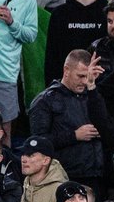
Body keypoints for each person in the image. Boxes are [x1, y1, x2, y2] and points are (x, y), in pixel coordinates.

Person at [28, 50, 108, 193]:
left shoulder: (94, 97)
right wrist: (74, 135)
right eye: (80, 76)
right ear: (66, 70)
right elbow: (37, 143)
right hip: (64, 177)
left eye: (87, 76)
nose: (84, 81)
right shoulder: (44, 101)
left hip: (97, 175)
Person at [44, 0, 107, 87]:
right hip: (66, 88)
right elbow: (51, 58)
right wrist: (53, 88)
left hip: (101, 86)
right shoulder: (60, 14)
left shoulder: (106, 13)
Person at [16, 135, 69, 202]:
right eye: (23, 154)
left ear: (46, 160)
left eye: (31, 155)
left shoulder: (58, 190)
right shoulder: (27, 182)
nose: (23, 160)